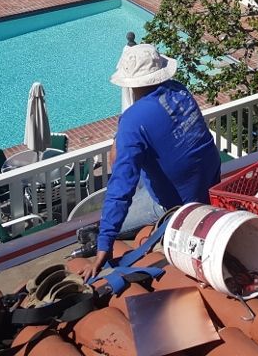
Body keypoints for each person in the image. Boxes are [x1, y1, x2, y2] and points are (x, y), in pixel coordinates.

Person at [79, 44, 221, 279]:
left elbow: (121, 188)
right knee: (133, 161)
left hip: (178, 205)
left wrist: (104, 246)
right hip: (208, 182)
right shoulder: (179, 91)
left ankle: (97, 236)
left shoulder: (134, 121)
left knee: (101, 225)